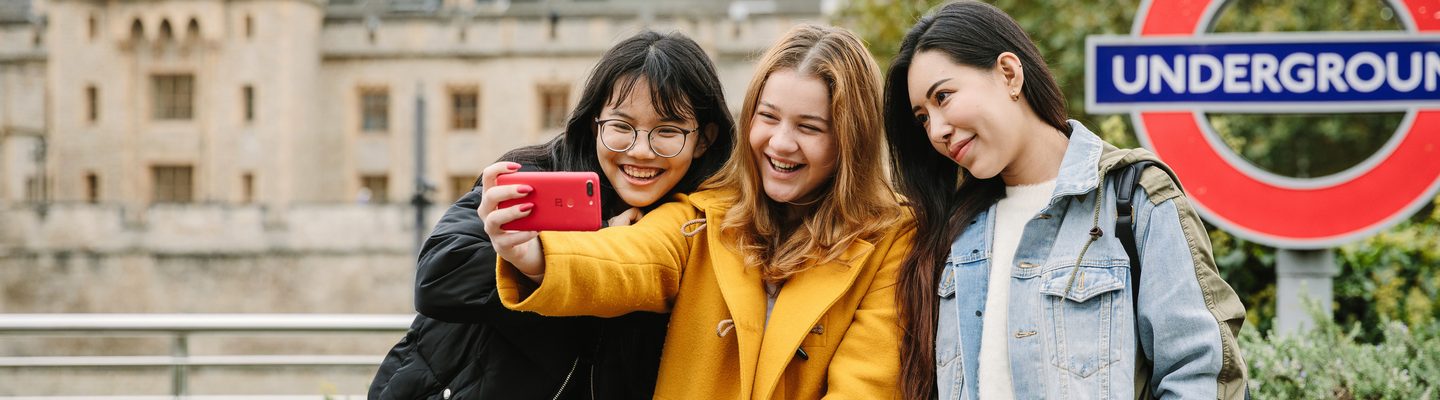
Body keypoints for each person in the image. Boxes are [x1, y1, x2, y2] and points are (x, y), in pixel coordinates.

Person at [481, 24, 912, 399]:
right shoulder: (705, 211)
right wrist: (534, 257)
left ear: (850, 140)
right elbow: (632, 259)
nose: (780, 143)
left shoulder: (892, 239)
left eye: (809, 127)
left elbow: (868, 381)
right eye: (768, 117)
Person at [883, 2, 1248, 399]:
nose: (937, 130)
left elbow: (1198, 374)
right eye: (922, 117)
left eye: (944, 97)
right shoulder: (951, 230)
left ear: (1009, 73)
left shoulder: (1134, 200)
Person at [369, 29, 735, 400]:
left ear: (703, 138)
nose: (640, 150)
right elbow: (438, 278)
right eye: (621, 127)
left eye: (667, 131)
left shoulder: (698, 224)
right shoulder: (535, 174)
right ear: (594, 122)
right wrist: (581, 245)